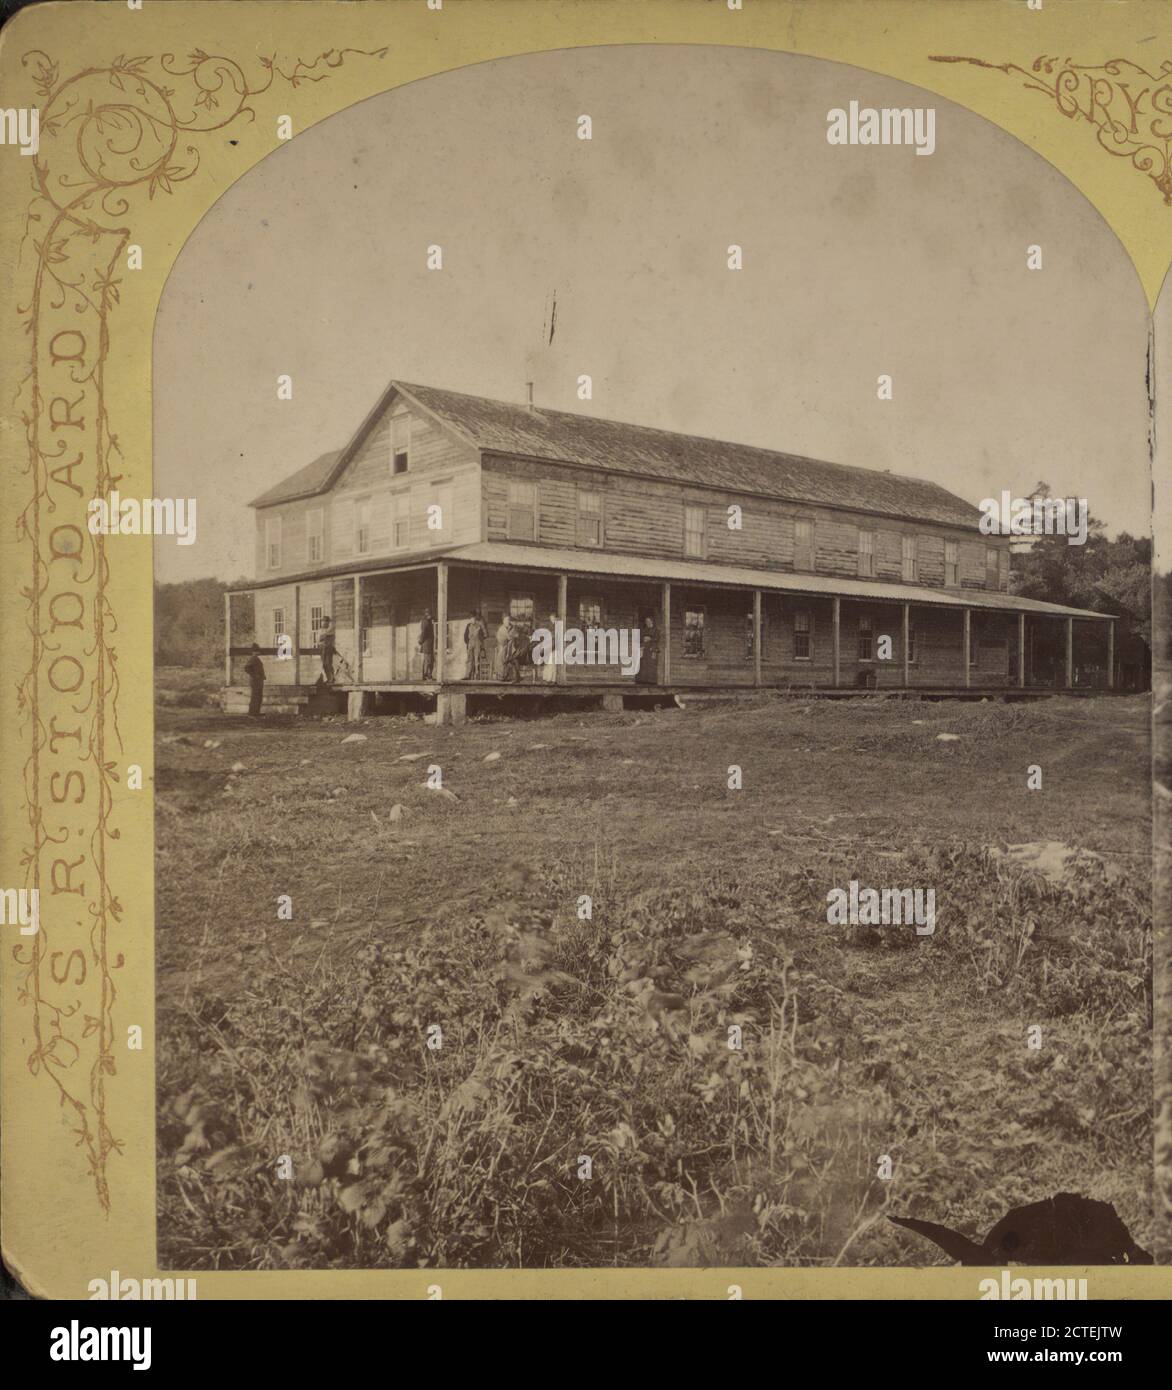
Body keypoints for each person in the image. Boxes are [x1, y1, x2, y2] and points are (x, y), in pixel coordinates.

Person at [464, 610, 487, 681]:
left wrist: (480, 640)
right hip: (470, 644)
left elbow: (485, 634)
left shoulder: (480, 625)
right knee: (469, 659)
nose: (472, 620)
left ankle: (477, 675)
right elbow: (465, 635)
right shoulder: (468, 625)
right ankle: (468, 675)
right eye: (470, 618)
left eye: (473, 618)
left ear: (475, 618)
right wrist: (467, 642)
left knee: (477, 660)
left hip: (477, 643)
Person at [244, 643, 265, 716]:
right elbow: (247, 668)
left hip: (258, 680)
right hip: (255, 681)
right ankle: (252, 713)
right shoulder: (253, 658)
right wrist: (255, 675)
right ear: (254, 651)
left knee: (258, 696)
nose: (259, 652)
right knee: (255, 696)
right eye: (257, 651)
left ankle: (256, 712)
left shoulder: (256, 658)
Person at [636, 616, 658, 684]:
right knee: (643, 664)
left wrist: (650, 639)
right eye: (646, 622)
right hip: (644, 649)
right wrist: (641, 646)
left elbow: (657, 639)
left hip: (651, 649)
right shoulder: (644, 630)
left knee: (651, 665)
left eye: (648, 621)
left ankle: (651, 681)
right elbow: (640, 639)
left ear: (652, 621)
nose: (647, 623)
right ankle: (642, 681)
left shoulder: (656, 630)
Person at [318, 616, 337, 684]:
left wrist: (325, 636)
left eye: (327, 622)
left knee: (329, 663)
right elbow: (319, 638)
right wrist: (324, 636)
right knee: (324, 664)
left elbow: (330, 636)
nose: (325, 623)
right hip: (322, 648)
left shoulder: (330, 630)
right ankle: (328, 678)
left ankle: (332, 678)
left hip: (328, 648)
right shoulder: (320, 630)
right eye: (324, 621)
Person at [418, 608, 435, 681]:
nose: (430, 616)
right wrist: (421, 641)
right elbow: (424, 633)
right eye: (429, 614)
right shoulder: (426, 622)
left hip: (429, 644)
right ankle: (427, 675)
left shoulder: (428, 621)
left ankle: (427, 675)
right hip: (427, 644)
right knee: (428, 660)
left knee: (429, 660)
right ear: (427, 614)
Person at [495, 614, 512, 681]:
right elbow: (508, 637)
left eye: (509, 620)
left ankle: (506, 676)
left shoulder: (509, 628)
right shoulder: (502, 629)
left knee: (508, 660)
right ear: (503, 621)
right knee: (502, 660)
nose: (508, 621)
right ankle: (501, 676)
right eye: (506, 620)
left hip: (507, 646)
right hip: (502, 646)